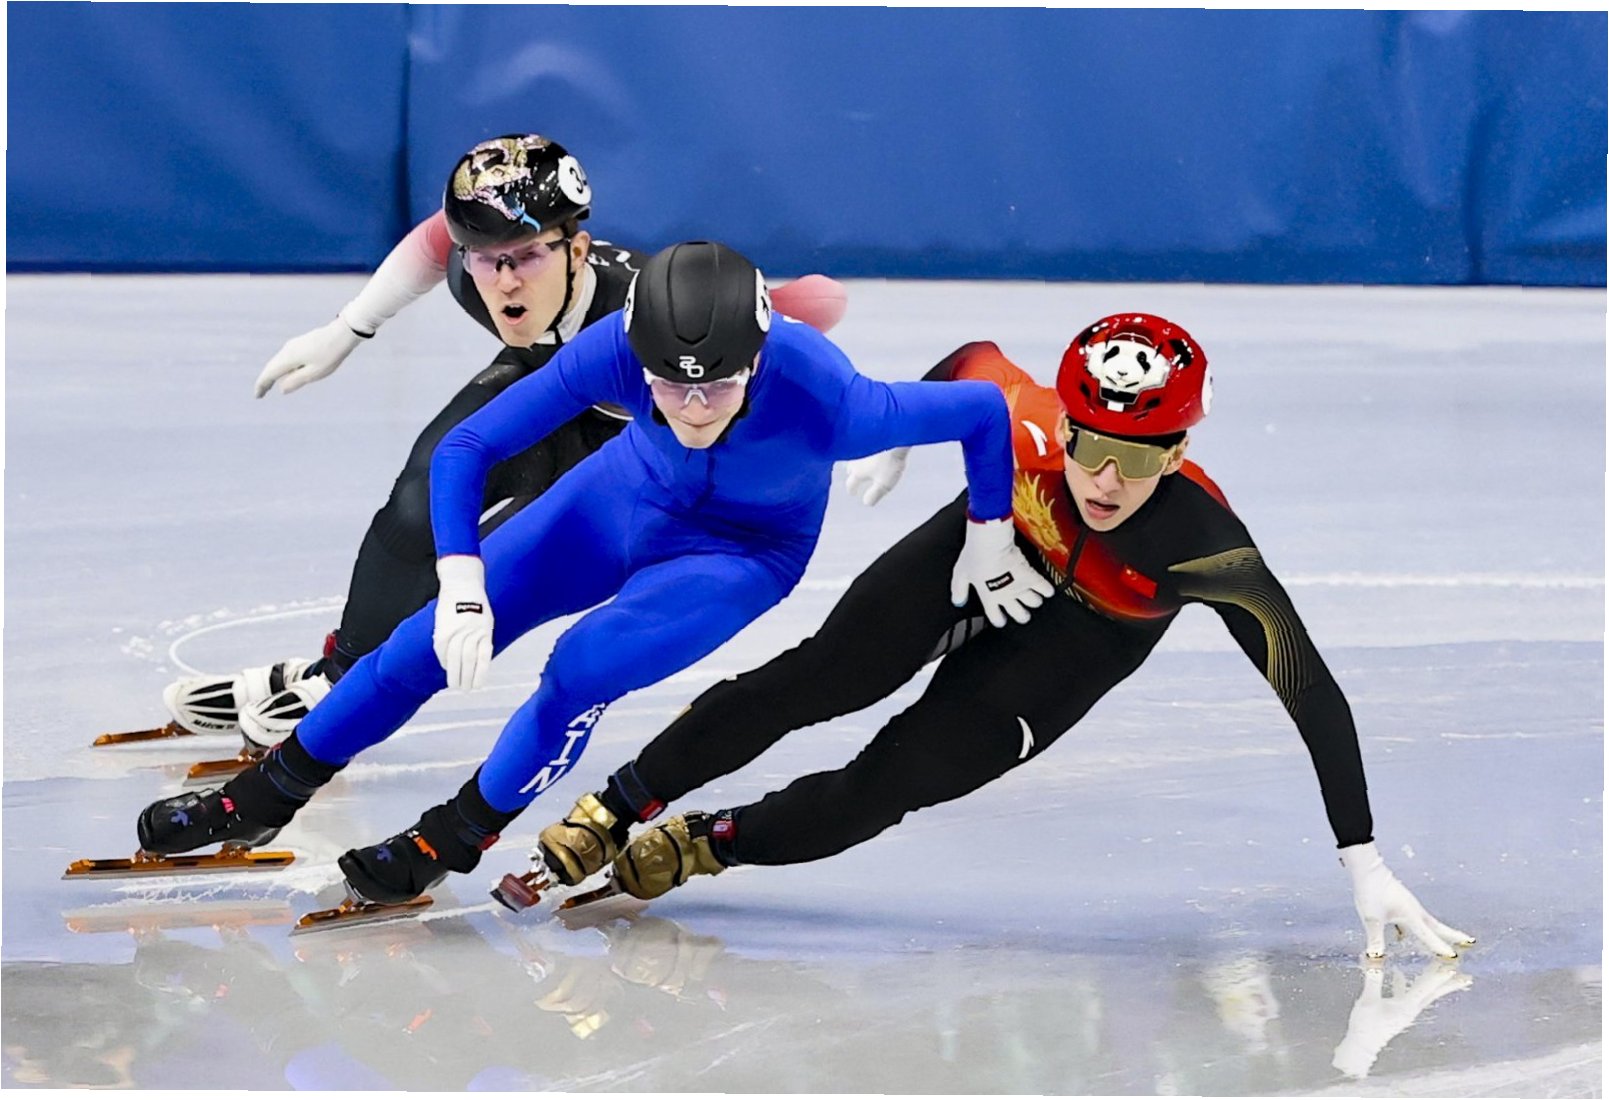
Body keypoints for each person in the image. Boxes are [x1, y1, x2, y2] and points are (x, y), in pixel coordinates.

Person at [133, 241, 1053, 910]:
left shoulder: (832, 401)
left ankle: (452, 836)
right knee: (420, 643)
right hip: (619, 497)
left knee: (580, 670)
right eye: (670, 385)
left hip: (738, 553)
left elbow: (980, 410)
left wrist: (987, 531)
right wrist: (461, 578)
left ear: (759, 355)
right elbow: (467, 446)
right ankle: (268, 794)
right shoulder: (614, 347)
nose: (693, 408)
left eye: (717, 385)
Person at [533, 314, 1475, 962]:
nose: (1103, 480)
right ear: (1064, 421)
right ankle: (617, 804)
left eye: (1135, 457)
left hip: (1083, 639)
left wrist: (1362, 857)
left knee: (888, 783)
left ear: (1179, 452)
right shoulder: (1027, 420)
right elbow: (970, 359)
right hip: (988, 544)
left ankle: (708, 844)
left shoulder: (1208, 549)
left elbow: (1308, 690)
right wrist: (901, 439)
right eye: (1087, 444)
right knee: (816, 678)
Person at [159, 134, 840, 752]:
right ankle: (338, 668)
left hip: (632, 434)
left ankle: (359, 688)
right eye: (487, 259)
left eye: (527, 256)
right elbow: (435, 238)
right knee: (421, 501)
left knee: (500, 557)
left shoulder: (646, 313)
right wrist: (347, 329)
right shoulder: (471, 270)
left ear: (577, 250)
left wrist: (805, 343)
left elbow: (798, 316)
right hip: (545, 380)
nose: (505, 280)